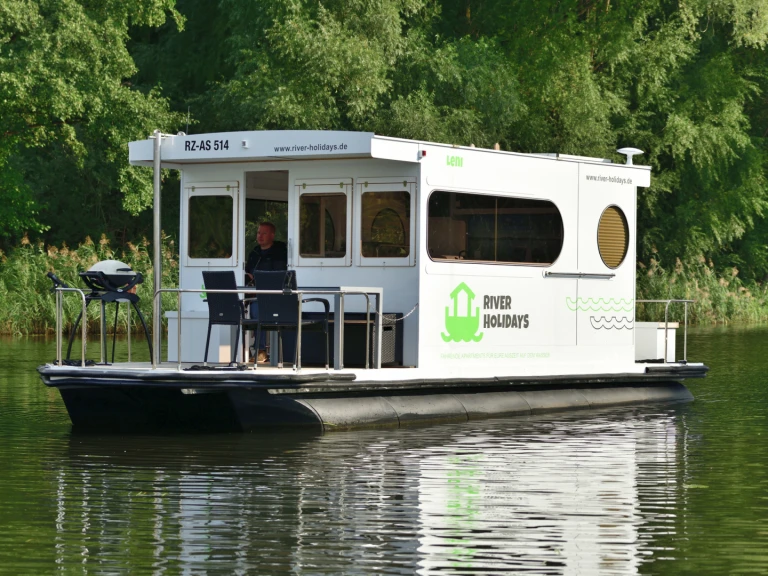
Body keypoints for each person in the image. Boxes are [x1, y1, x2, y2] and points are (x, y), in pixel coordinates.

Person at [245, 222, 287, 362]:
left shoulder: (280, 253)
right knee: (250, 305)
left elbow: (279, 275)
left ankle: (261, 350)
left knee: (257, 307)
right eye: (258, 233)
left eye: (264, 233)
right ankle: (250, 351)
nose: (260, 236)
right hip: (254, 293)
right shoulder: (254, 253)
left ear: (272, 235)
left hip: (276, 295)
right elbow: (248, 272)